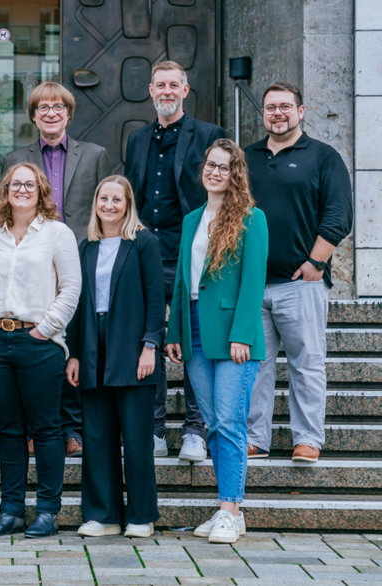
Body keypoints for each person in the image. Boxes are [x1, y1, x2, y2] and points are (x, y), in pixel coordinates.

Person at [166, 139, 268, 544]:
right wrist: (174, 331)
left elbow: (253, 281)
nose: (215, 172)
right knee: (213, 424)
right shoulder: (192, 218)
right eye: (211, 165)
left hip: (232, 333)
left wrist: (243, 333)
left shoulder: (251, 218)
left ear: (235, 174)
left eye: (224, 167)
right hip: (192, 326)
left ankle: (228, 508)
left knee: (229, 422)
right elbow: (181, 281)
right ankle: (232, 510)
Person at [245, 82, 354, 463]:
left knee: (306, 365)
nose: (278, 113)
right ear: (262, 113)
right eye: (271, 107)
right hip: (253, 285)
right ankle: (255, 437)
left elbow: (339, 215)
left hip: (301, 284)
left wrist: (315, 263)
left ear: (301, 111)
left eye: (285, 107)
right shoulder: (247, 158)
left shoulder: (323, 157)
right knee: (255, 369)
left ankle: (308, 439)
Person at [1, 82, 111, 458]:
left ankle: (73, 428)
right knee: (37, 346)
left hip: (78, 261)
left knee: (73, 345)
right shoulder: (14, 158)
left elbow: (105, 210)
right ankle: (36, 428)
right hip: (30, 267)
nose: (50, 113)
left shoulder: (95, 155)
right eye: (43, 107)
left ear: (69, 113)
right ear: (33, 115)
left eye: (58, 107)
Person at [124, 60, 226, 461]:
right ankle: (154, 430)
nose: (166, 91)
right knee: (149, 338)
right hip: (145, 251)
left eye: (174, 85)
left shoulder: (209, 135)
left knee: (193, 340)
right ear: (150, 90)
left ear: (185, 90)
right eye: (159, 85)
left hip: (191, 251)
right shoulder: (136, 139)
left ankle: (196, 431)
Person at [0, 163, 81, 539]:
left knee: (47, 429)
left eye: (29, 184)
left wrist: (45, 330)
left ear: (41, 191)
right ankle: (11, 510)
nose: (22, 189)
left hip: (39, 344)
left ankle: (48, 511)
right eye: (15, 183)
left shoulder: (57, 234)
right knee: (9, 430)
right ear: (6, 190)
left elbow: (70, 288)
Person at [66, 176, 165, 539]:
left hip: (131, 345)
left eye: (116, 199)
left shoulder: (143, 242)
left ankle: (141, 516)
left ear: (127, 205)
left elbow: (156, 300)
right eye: (103, 198)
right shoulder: (86, 247)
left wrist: (150, 345)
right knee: (96, 436)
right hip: (93, 345)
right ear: (96, 203)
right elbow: (77, 304)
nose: (109, 205)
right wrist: (74, 353)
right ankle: (103, 515)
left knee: (137, 439)